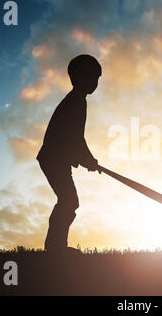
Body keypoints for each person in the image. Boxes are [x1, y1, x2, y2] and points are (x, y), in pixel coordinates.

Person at [37, 54, 101, 253]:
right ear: (77, 78)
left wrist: (87, 160)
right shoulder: (75, 101)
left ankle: (55, 246)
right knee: (69, 200)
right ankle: (55, 247)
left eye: (97, 79)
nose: (94, 82)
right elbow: (74, 138)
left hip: (57, 159)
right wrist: (88, 160)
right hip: (53, 158)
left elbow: (74, 139)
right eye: (91, 77)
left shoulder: (77, 100)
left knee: (68, 200)